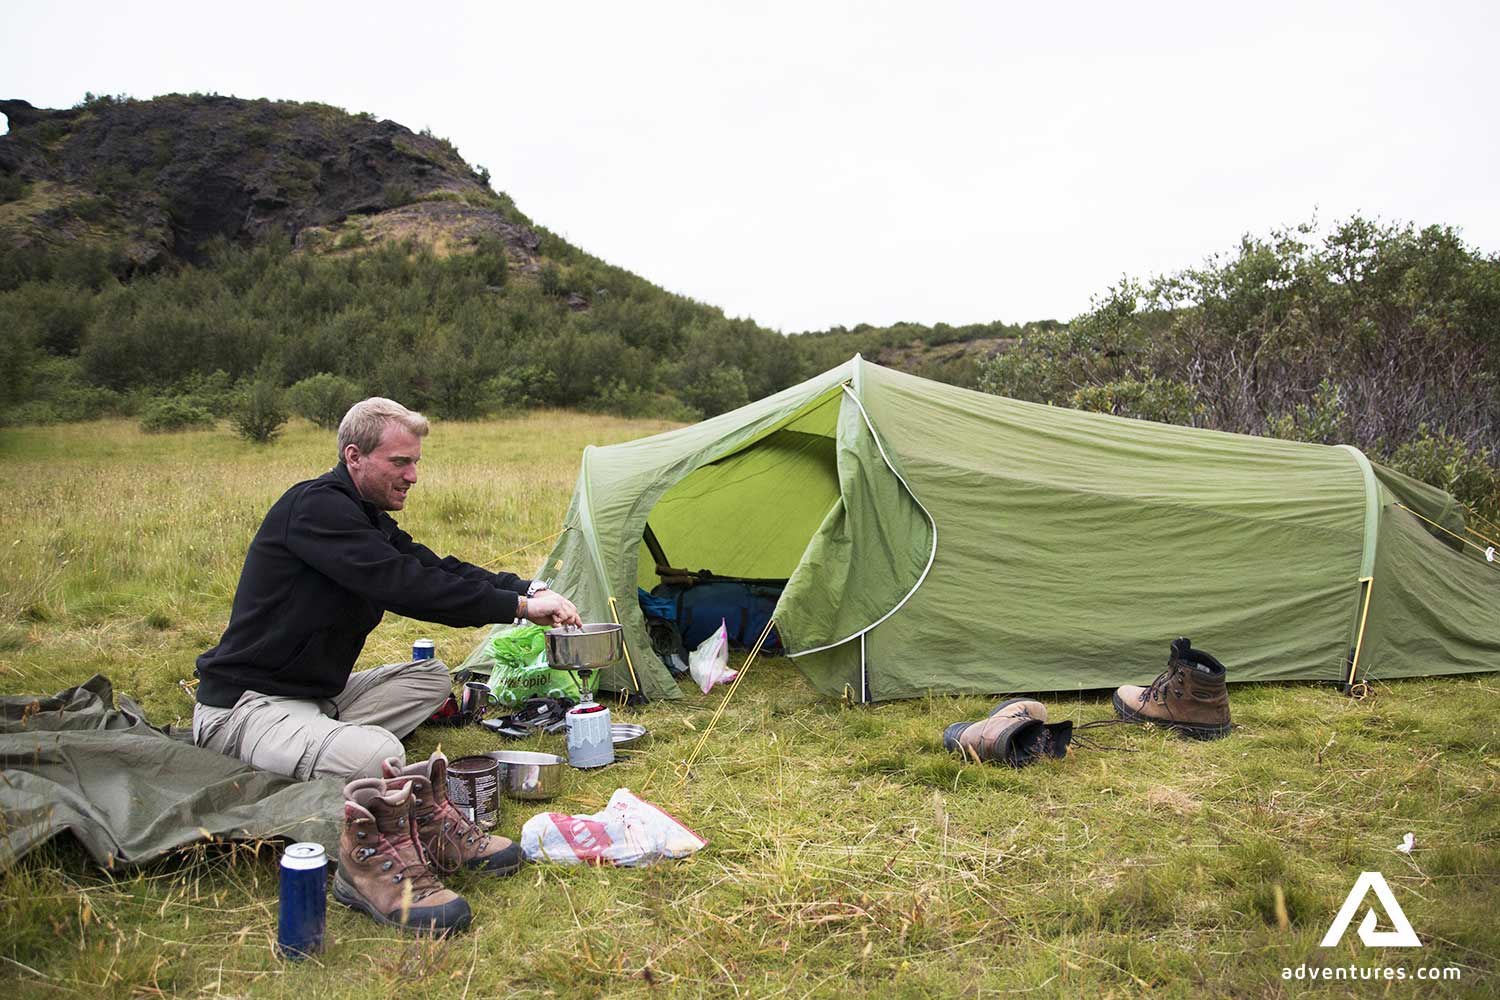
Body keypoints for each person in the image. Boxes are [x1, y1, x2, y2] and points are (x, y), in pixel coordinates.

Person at [193, 397, 581, 781]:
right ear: (354, 456)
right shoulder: (316, 508)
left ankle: (319, 737)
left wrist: (529, 589)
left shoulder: (365, 516)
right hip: (247, 706)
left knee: (432, 677)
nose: (412, 475)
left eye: (415, 462)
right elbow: (407, 586)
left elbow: (433, 567)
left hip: (318, 697)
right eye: (399, 462)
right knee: (380, 755)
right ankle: (314, 742)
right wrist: (517, 608)